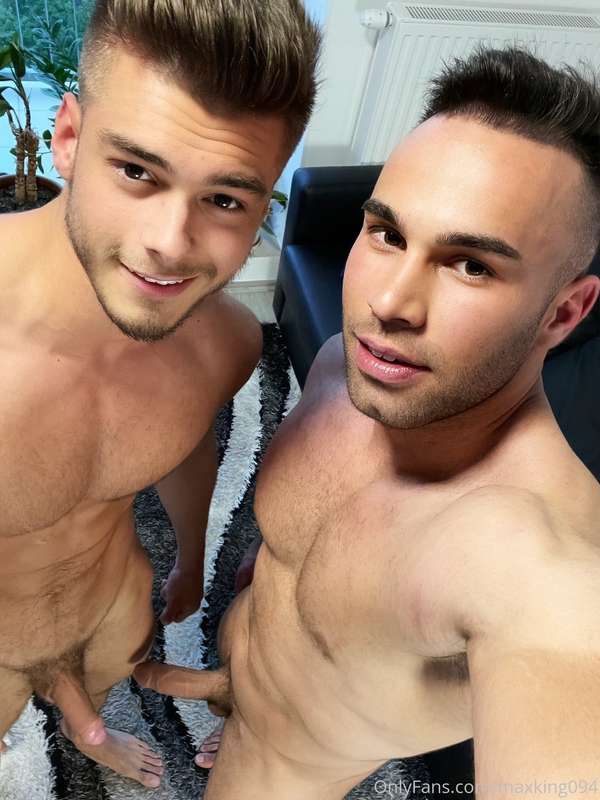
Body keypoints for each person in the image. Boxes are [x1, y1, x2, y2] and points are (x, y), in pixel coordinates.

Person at [134, 47, 600, 798]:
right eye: (387, 233)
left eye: (472, 265)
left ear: (565, 311)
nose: (389, 305)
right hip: (244, 673)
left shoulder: (542, 569)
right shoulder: (337, 367)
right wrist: (242, 670)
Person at [0, 0, 320, 789]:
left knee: (107, 680)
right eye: (137, 172)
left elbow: (186, 442)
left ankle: (89, 727)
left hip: (110, 601)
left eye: (225, 200)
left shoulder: (225, 343)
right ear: (68, 138)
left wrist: (190, 555)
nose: (169, 245)